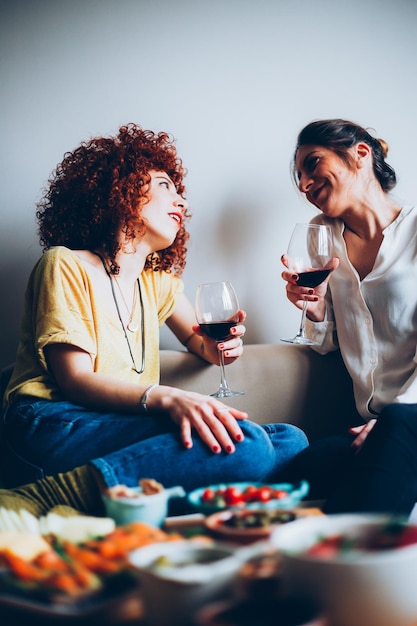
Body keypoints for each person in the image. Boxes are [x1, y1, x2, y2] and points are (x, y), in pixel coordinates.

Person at [0, 123, 308, 518]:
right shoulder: (65, 263)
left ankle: (135, 498)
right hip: (50, 424)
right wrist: (169, 398)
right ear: (121, 191)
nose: (179, 200)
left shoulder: (157, 284)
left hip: (114, 424)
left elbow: (200, 341)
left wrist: (220, 348)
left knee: (289, 440)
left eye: (179, 192)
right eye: (164, 185)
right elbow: (73, 379)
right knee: (248, 444)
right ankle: (37, 498)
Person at [279, 117, 417, 517]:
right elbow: (325, 343)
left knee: (392, 441)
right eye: (299, 177)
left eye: (313, 165)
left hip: (408, 415)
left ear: (360, 154)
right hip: (366, 422)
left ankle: (348, 570)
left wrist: (393, 423)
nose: (304, 185)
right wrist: (315, 308)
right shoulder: (320, 233)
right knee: (295, 478)